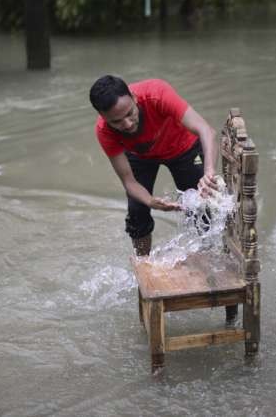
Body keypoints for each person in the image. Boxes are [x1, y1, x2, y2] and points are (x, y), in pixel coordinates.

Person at [89, 75, 238, 322]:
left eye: (130, 113)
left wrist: (209, 171)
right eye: (117, 121)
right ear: (104, 119)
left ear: (135, 99)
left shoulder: (156, 94)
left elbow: (206, 130)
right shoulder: (104, 132)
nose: (127, 123)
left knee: (202, 208)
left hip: (183, 147)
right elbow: (129, 183)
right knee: (137, 212)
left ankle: (211, 275)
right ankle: (144, 268)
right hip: (140, 156)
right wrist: (149, 201)